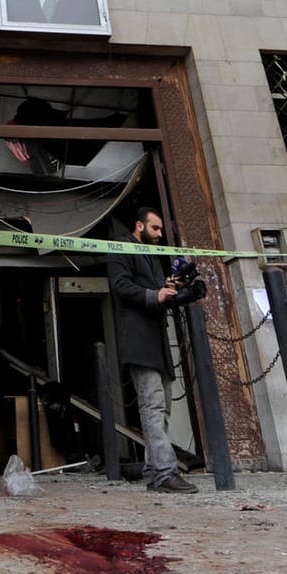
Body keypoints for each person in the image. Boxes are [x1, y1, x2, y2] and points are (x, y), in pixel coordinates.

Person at [105, 207, 198, 493]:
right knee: (153, 407)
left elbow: (155, 290)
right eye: (155, 229)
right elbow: (120, 285)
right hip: (139, 341)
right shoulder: (121, 248)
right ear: (139, 226)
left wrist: (168, 287)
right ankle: (165, 473)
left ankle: (152, 471)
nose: (159, 234)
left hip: (156, 342)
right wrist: (154, 294)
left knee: (163, 410)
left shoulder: (151, 257)